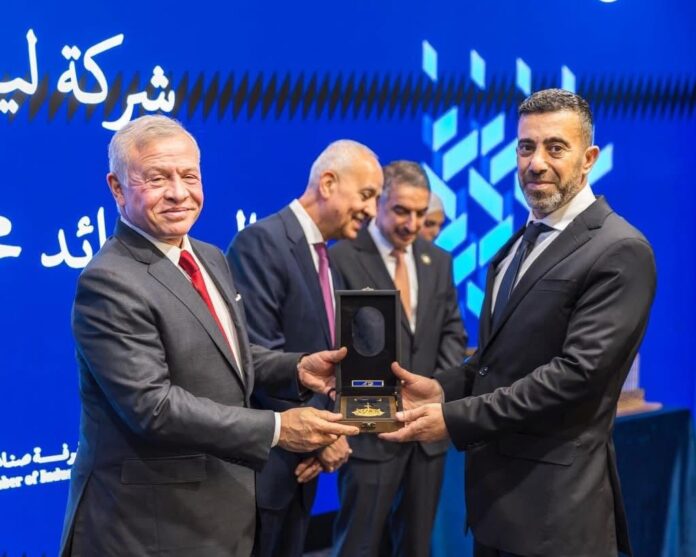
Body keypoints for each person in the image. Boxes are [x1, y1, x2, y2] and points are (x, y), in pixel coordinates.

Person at [59, 115, 359, 557]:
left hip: (220, 514)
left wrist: (296, 369)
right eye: (157, 178)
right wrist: (278, 428)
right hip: (149, 528)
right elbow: (153, 407)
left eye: (189, 176)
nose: (178, 192)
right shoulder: (109, 280)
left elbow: (223, 353)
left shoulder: (209, 256)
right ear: (117, 188)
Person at [381, 89, 657, 557]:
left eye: (555, 147)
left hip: (557, 519)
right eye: (526, 147)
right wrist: (443, 389)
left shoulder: (620, 249)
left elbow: (575, 377)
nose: (536, 163)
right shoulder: (513, 247)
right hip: (495, 512)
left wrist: (453, 418)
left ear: (589, 159)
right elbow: (496, 362)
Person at [226, 140, 383, 557]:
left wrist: (330, 429)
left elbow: (325, 356)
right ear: (328, 183)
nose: (372, 210)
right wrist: (324, 437)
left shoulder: (326, 257)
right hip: (267, 470)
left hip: (300, 470)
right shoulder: (261, 243)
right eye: (367, 195)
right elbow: (257, 356)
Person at [330, 160, 468, 557]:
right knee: (358, 546)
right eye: (401, 211)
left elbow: (452, 332)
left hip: (426, 435)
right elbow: (332, 344)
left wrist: (435, 393)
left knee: (416, 547)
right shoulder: (342, 259)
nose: (412, 224)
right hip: (369, 433)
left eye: (420, 214)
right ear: (379, 202)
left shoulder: (437, 260)